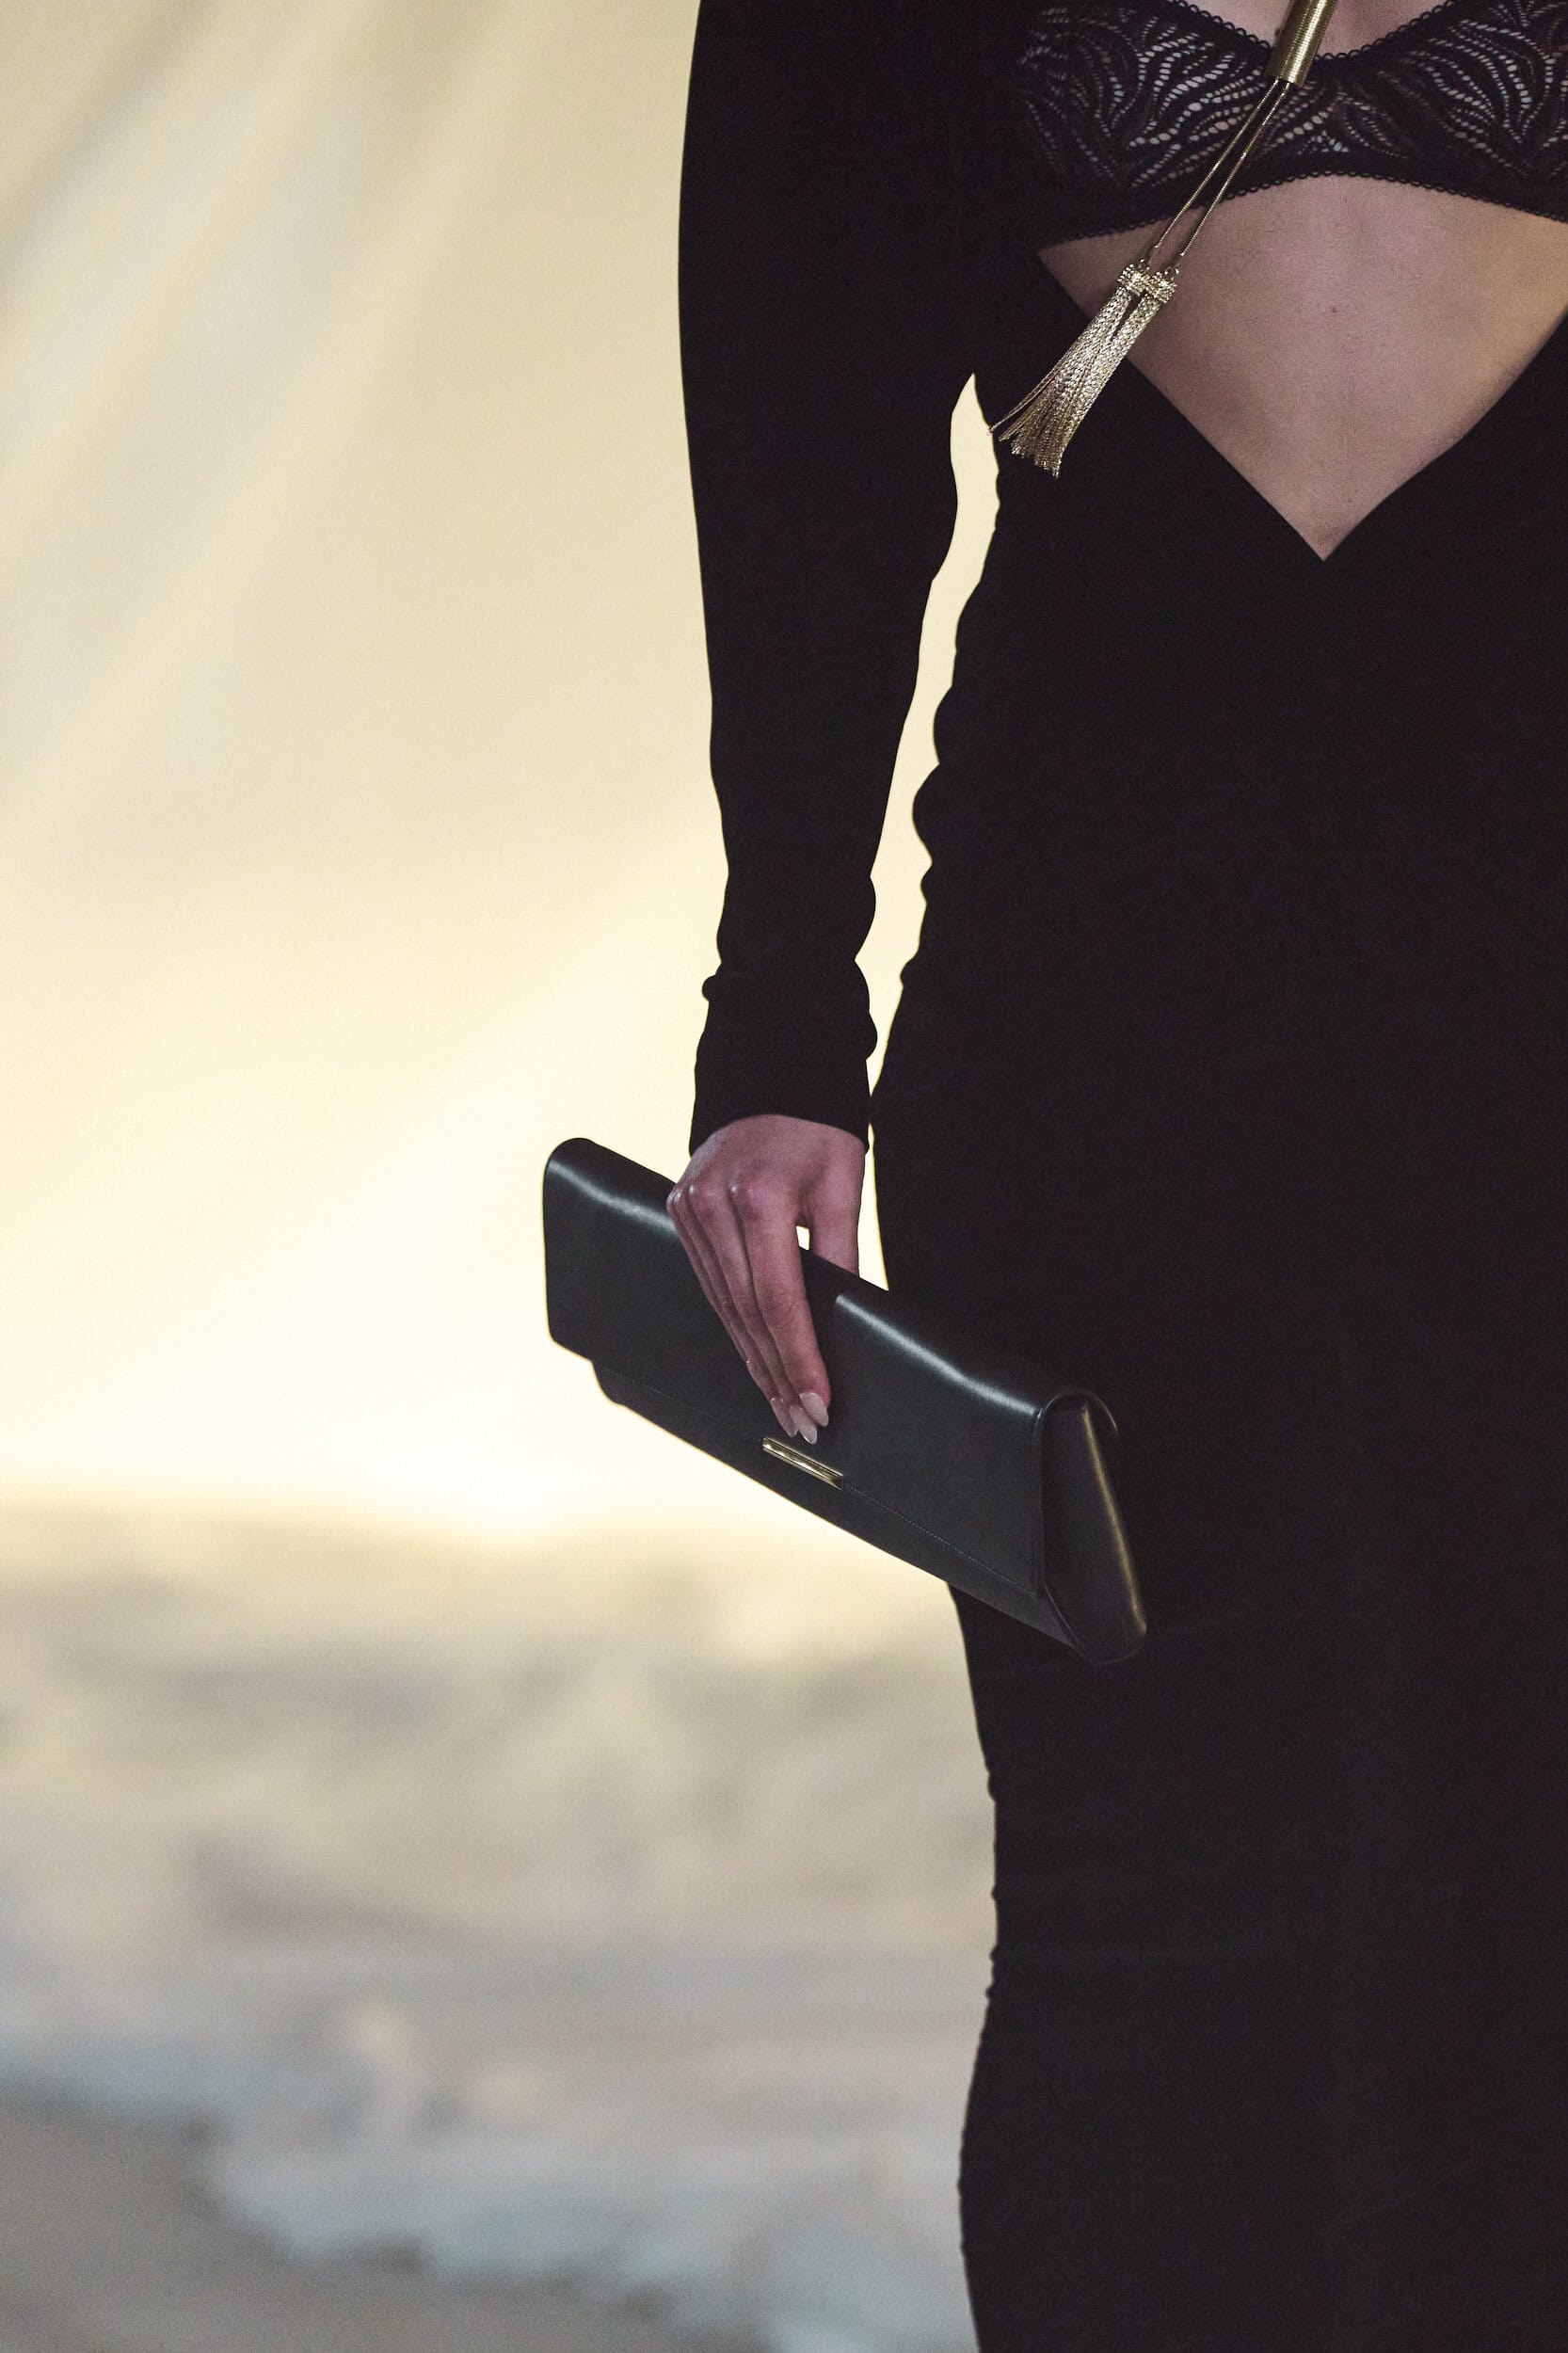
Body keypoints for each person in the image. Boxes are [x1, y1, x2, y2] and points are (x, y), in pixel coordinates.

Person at [662, 0, 1568, 2343]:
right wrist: (778, 1029)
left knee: (1522, 1870)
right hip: (1101, 981)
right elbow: (802, 452)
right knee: (1140, 1873)